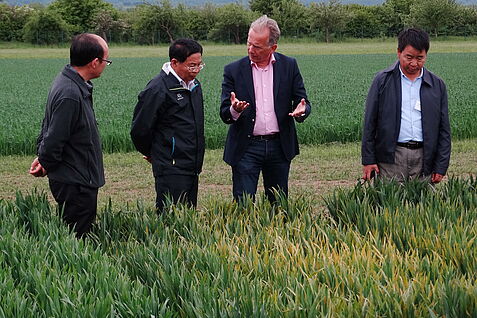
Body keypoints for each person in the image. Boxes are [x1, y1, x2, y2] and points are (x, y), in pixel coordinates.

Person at [220, 15, 311, 204]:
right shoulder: (233, 70)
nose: (250, 49)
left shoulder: (289, 66)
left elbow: (302, 101)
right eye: (249, 43)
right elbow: (224, 113)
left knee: (278, 204)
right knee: (243, 205)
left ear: (273, 47)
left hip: (280, 146)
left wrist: (302, 110)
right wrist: (235, 109)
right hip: (246, 147)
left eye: (257, 46)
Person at [29, 33, 111, 238]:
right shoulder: (70, 94)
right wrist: (45, 160)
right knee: (77, 238)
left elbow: (52, 127)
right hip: (76, 180)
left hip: (76, 176)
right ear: (94, 62)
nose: (105, 65)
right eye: (106, 61)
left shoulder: (69, 82)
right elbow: (56, 135)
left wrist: (43, 158)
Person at [362, 28, 451, 183]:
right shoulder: (382, 81)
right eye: (409, 57)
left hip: (425, 159)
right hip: (391, 158)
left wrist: (441, 165)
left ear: (426, 55)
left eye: (420, 58)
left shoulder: (437, 85)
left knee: (423, 206)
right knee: (390, 205)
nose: (414, 63)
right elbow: (370, 123)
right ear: (398, 52)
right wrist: (368, 159)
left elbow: (444, 130)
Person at [131, 39, 205, 213]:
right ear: (174, 63)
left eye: (199, 65)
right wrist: (154, 153)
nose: (196, 71)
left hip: (192, 163)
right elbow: (140, 130)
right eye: (191, 66)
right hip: (170, 165)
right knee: (171, 217)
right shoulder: (158, 89)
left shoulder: (194, 86)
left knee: (187, 216)